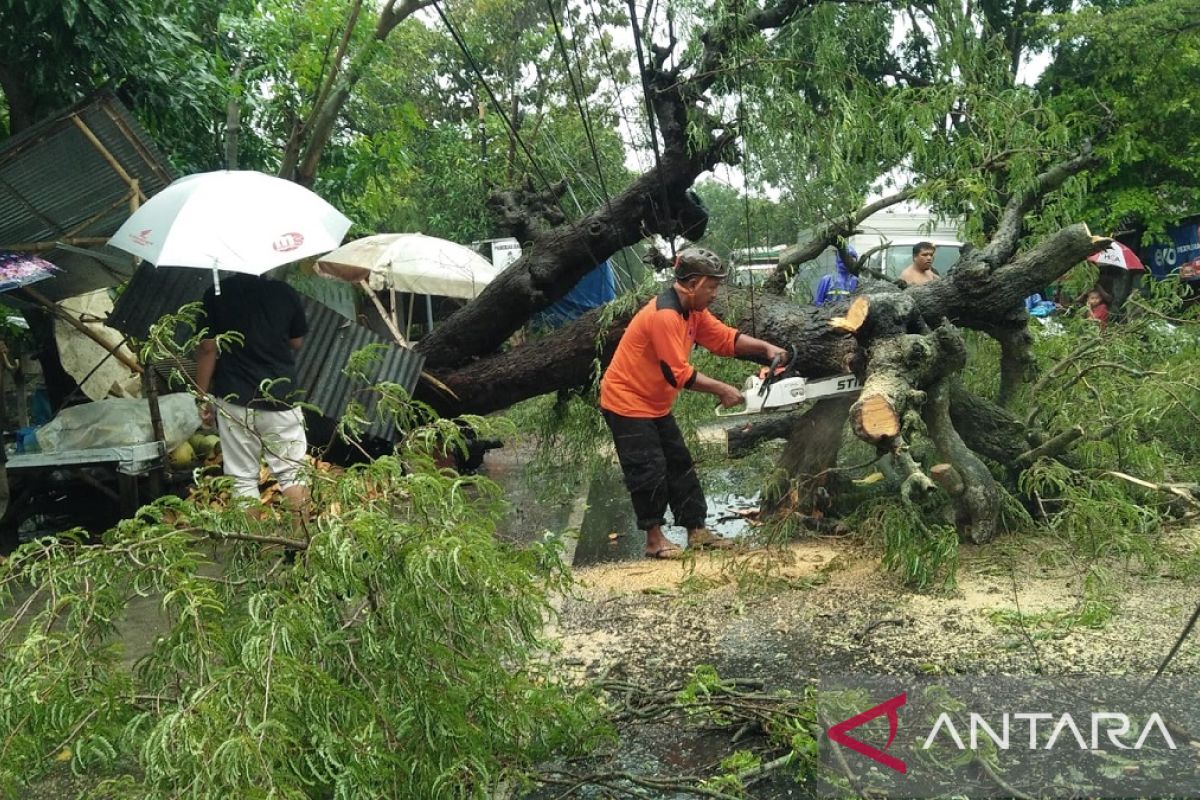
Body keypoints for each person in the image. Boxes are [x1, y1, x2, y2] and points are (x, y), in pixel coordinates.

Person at [600, 248, 788, 559]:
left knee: (680, 465)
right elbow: (677, 373)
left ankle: (697, 531)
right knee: (648, 468)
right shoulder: (665, 315)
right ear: (691, 284)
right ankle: (654, 539)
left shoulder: (693, 311)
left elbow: (724, 339)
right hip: (626, 401)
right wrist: (723, 389)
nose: (715, 294)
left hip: (655, 403)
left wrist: (767, 349)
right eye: (711, 287)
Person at [195, 272, 310, 508]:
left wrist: (201, 396)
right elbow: (296, 342)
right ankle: (301, 542)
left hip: (234, 399)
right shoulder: (284, 292)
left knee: (242, 479)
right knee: (292, 473)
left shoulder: (216, 294)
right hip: (281, 397)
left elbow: (207, 349)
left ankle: (253, 544)